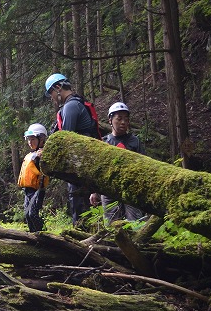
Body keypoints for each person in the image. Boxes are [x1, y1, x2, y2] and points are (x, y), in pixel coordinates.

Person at [44, 72, 101, 224]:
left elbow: (65, 139)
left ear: (58, 88)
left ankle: (84, 242)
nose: (52, 98)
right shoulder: (77, 103)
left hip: (81, 167)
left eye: (51, 93)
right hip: (83, 165)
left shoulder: (71, 106)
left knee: (81, 208)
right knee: (81, 207)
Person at [90, 102, 146, 223]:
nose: (123, 122)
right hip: (109, 190)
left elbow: (144, 166)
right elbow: (98, 170)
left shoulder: (135, 141)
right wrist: (95, 191)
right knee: (112, 226)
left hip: (132, 189)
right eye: (119, 119)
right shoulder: (104, 142)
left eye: (126, 119)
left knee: (136, 223)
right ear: (110, 120)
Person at [17, 123, 49, 232]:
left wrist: (41, 155)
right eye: (29, 140)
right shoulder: (30, 155)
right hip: (28, 189)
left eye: (33, 139)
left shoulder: (43, 154)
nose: (30, 142)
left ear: (41, 139)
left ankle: (44, 235)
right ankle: (32, 235)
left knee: (33, 214)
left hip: (37, 189)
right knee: (27, 215)